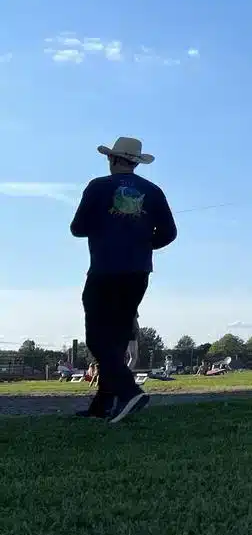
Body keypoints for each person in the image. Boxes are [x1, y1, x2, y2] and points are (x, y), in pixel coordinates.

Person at [70, 136, 177, 423]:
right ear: (135, 162)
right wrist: (141, 244)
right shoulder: (153, 191)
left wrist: (106, 230)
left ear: (113, 159)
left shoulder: (97, 187)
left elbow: (77, 228)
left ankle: (129, 392)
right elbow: (169, 233)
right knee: (116, 338)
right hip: (138, 271)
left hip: (105, 269)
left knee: (96, 336)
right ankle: (104, 404)